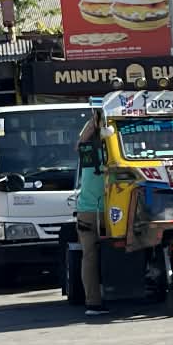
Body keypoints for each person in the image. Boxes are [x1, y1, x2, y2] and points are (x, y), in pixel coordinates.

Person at [75, 112, 106, 317]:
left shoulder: (87, 152)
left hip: (87, 210)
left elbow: (79, 142)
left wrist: (96, 120)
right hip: (112, 211)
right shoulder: (118, 153)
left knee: (89, 256)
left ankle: (93, 302)